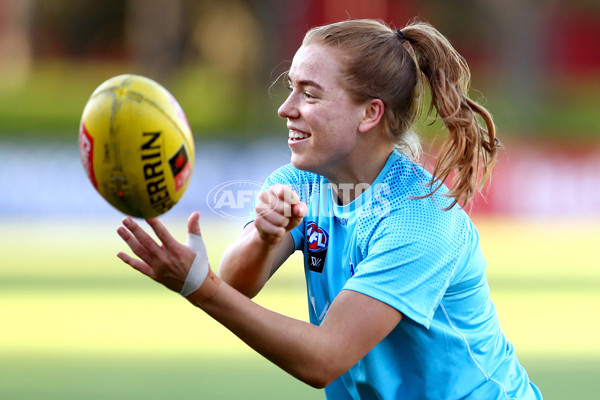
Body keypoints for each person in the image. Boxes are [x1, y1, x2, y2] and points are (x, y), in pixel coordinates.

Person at [116, 18, 543, 399]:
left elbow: (324, 358)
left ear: (369, 113)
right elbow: (234, 285)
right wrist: (264, 240)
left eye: (310, 94)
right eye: (290, 88)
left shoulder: (420, 220)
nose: (286, 109)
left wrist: (199, 288)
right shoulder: (298, 180)